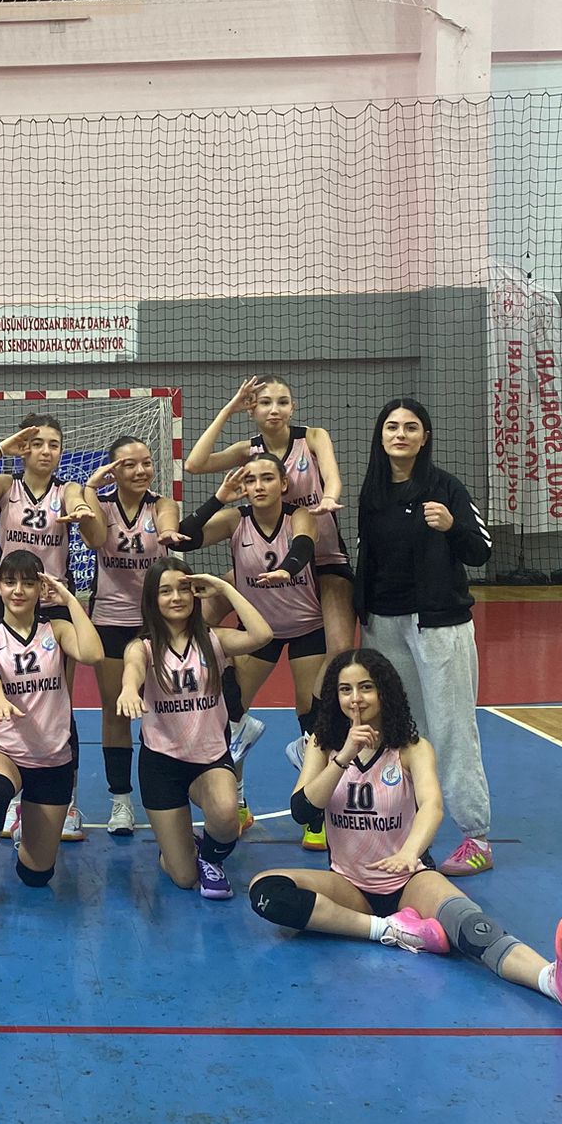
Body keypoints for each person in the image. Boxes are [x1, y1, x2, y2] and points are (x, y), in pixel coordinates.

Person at [246, 649, 562, 1022]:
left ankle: (555, 980)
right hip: (349, 885)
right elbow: (304, 811)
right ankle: (390, 930)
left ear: (384, 692)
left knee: (473, 928)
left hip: (409, 881)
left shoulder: (411, 748)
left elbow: (432, 806)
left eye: (366, 687)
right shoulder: (323, 745)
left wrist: (409, 853)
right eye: (345, 689)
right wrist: (345, 753)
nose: (355, 699)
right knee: (265, 890)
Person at [354, 397, 495, 876]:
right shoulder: (373, 492)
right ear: (381, 436)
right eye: (392, 427)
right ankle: (413, 834)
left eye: (410, 427)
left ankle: (476, 836)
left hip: (438, 626)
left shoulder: (445, 487)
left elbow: (481, 550)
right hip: (383, 625)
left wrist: (452, 527)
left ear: (425, 437)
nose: (400, 434)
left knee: (452, 729)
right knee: (403, 730)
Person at [185, 375, 355, 763]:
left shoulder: (312, 437)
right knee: (198, 621)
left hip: (321, 560)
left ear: (293, 407)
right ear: (253, 410)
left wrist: (330, 498)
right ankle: (231, 710)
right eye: (264, 402)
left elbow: (332, 476)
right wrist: (229, 408)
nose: (274, 409)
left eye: (282, 401)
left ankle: (315, 730)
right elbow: (194, 464)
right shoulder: (249, 452)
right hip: (268, 564)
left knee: (341, 649)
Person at [171, 453, 332, 849]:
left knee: (311, 716)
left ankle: (315, 815)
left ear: (283, 484)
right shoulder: (235, 520)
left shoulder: (299, 516)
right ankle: (239, 803)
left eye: (267, 478)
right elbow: (183, 536)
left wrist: (287, 569)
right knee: (231, 713)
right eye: (250, 480)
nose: (258, 486)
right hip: (260, 631)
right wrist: (218, 497)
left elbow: (303, 546)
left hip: (306, 628)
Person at [0, 416, 97, 841]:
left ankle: (67, 803)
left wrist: (82, 510)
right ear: (25, 448)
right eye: (38, 443)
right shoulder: (5, 486)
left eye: (54, 443)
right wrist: (1, 448)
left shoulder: (66, 490)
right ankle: (12, 793)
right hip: (10, 600)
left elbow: (80, 506)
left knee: (60, 702)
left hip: (55, 604)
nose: (46, 451)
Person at [115, 558, 271, 899]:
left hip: (209, 759)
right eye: (165, 591)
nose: (176, 597)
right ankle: (178, 849)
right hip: (162, 764)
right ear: (152, 599)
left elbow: (263, 635)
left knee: (227, 815)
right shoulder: (142, 647)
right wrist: (128, 689)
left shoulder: (214, 640)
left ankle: (210, 858)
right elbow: (133, 668)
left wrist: (225, 588)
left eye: (183, 589)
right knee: (184, 878)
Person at [0, 550, 103, 914]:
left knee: (36, 875)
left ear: (41, 588)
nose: (18, 590)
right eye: (10, 582)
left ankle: (27, 829)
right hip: (2, 747)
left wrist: (68, 599)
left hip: (52, 756)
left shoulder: (57, 629)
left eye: (28, 583)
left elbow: (93, 654)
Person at [71, 435, 179, 835]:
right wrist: (90, 487)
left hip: (158, 621)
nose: (140, 470)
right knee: (116, 711)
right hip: (111, 619)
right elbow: (95, 539)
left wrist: (167, 534)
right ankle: (121, 801)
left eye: (146, 462)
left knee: (167, 708)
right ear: (113, 470)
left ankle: (169, 794)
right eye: (129, 464)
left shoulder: (162, 504)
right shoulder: (100, 505)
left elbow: (168, 525)